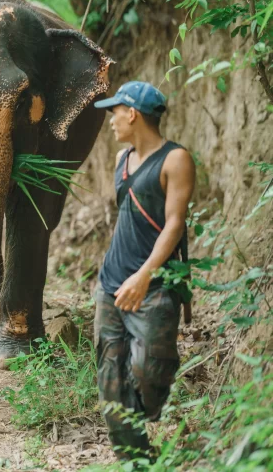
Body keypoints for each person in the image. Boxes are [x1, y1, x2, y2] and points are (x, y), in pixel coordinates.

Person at [92, 81, 195, 462]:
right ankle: (134, 460)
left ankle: (144, 421)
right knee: (110, 375)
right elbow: (126, 218)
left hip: (152, 285)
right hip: (111, 282)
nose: (111, 121)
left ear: (132, 113)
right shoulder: (122, 159)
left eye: (114, 112)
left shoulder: (175, 159)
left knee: (149, 373)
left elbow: (174, 224)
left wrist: (146, 274)